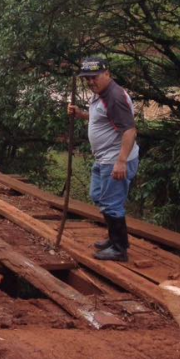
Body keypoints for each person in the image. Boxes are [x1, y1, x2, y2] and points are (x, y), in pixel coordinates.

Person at [68, 57, 139, 262]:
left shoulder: (115, 97)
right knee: (98, 195)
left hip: (115, 159)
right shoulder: (101, 94)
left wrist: (121, 161)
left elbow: (130, 131)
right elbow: (104, 118)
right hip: (104, 159)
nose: (91, 82)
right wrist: (81, 114)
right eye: (87, 78)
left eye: (95, 77)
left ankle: (119, 248)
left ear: (107, 74)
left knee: (111, 203)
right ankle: (113, 238)